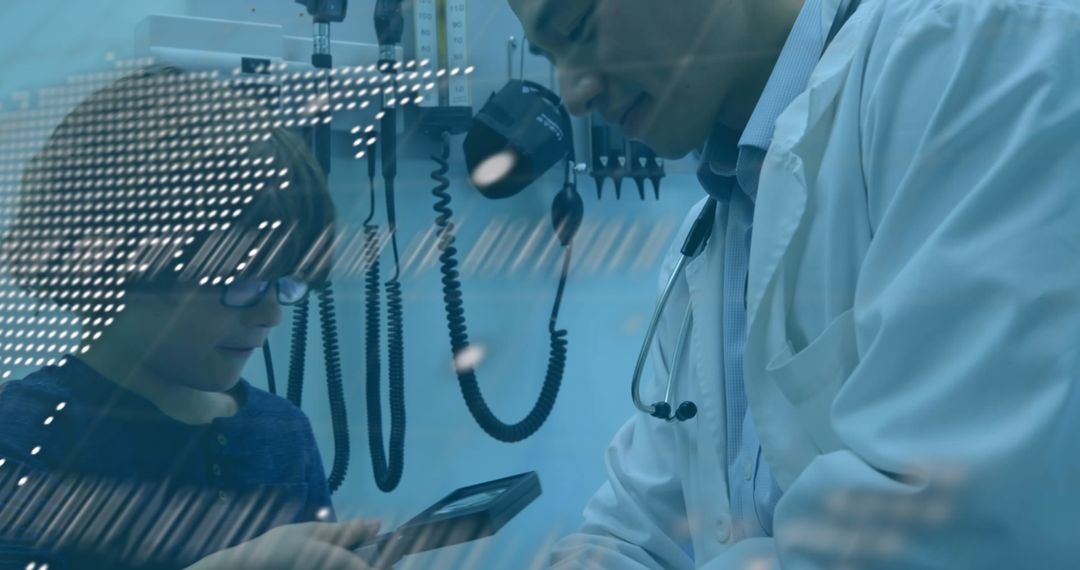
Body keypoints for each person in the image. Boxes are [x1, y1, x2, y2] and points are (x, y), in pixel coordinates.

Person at [510, 0, 1080, 567]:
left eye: (576, 27)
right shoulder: (707, 241)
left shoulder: (972, 46)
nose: (573, 95)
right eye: (548, 55)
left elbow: (951, 528)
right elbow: (630, 531)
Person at [0, 66, 382, 569]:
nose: (270, 315)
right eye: (241, 281)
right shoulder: (25, 435)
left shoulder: (282, 433)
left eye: (286, 282)